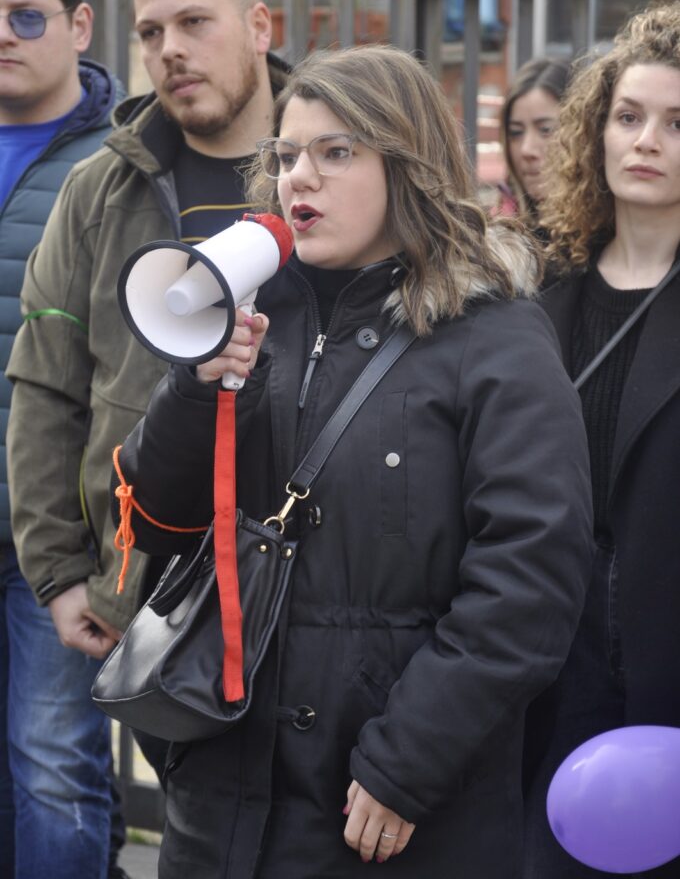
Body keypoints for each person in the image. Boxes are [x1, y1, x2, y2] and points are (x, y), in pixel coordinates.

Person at [113, 44, 594, 878]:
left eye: (338, 152)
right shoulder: (250, 316)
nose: (302, 176)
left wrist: (409, 763)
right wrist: (199, 387)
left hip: (385, 811)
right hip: (222, 802)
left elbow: (531, 577)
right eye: (289, 154)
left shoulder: (495, 337)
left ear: (407, 167)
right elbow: (155, 513)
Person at [5, 0, 287, 832]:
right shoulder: (103, 189)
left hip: (314, 573)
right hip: (145, 577)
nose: (171, 49)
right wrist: (57, 574)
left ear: (258, 26)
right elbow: (47, 389)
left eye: (195, 23)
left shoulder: (335, 165)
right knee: (129, 808)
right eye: (153, 30)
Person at [523, 1, 680, 879]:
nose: (646, 140)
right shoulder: (539, 298)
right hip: (552, 674)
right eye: (628, 117)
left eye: (675, 123)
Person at [0, 0, 128, 878]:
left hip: (52, 538)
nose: (6, 34)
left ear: (80, 27)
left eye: (27, 17)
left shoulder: (120, 169)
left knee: (53, 769)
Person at [491, 56, 570, 232]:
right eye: (515, 133)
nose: (527, 149)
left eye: (546, 130)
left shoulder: (614, 237)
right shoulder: (493, 235)